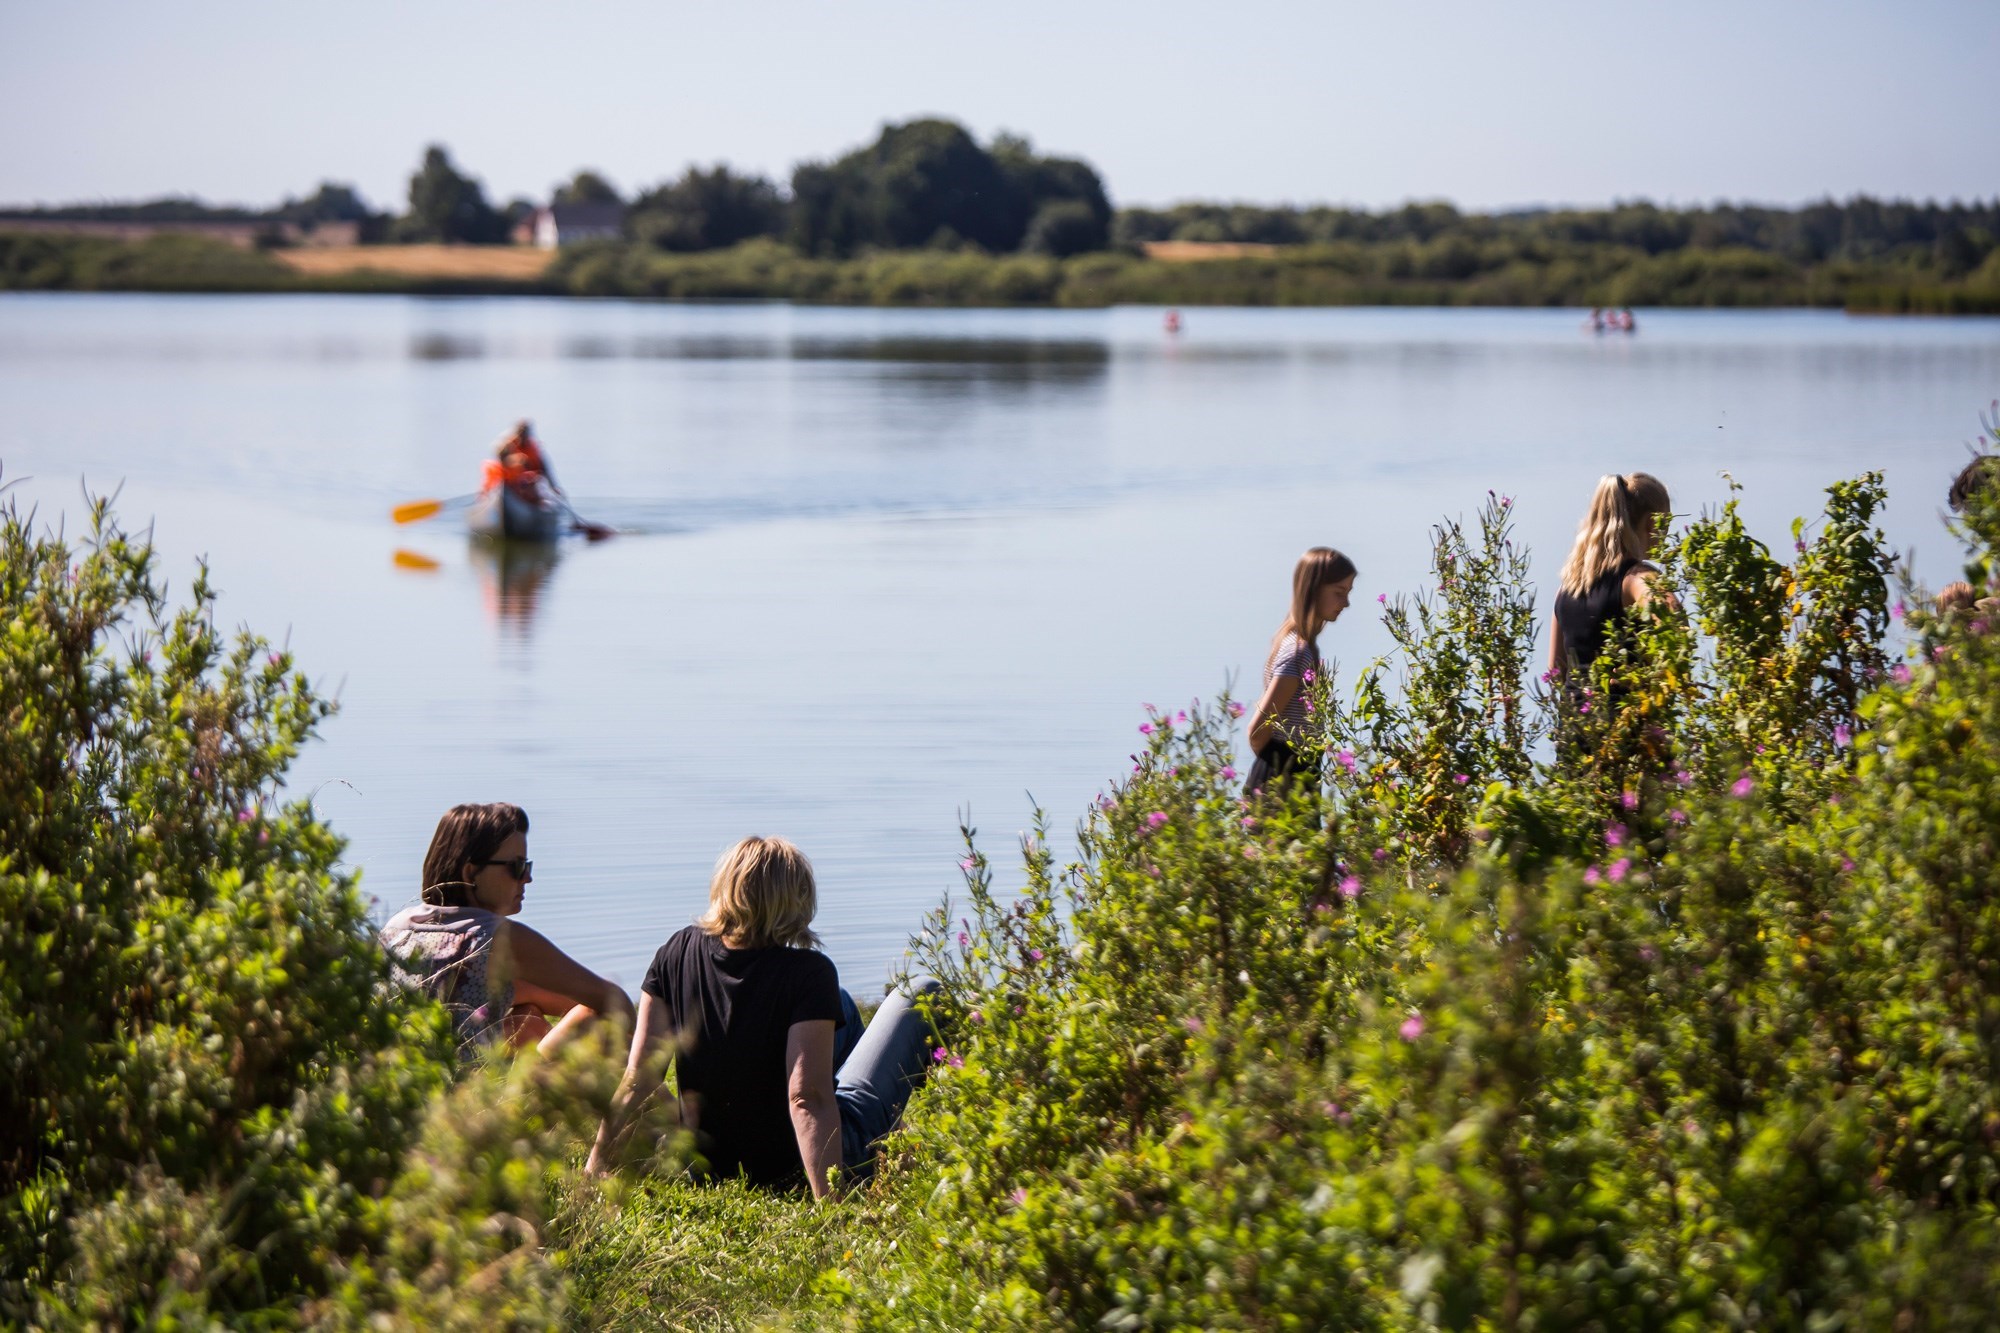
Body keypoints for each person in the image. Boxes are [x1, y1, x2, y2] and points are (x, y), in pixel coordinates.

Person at [587, 836, 942, 1198]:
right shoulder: (808, 973)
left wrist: (596, 1165)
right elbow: (806, 1098)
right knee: (922, 990)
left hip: (706, 1165)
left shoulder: (675, 951)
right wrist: (831, 1202)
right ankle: (891, 1138)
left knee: (841, 1004)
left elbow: (639, 1077)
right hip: (803, 1161)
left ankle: (890, 1137)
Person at [379, 802, 633, 1059]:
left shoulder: (396, 928)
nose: (527, 878)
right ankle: (638, 1094)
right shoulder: (500, 938)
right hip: (474, 1097)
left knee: (527, 1018)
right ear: (471, 872)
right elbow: (616, 1002)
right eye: (516, 867)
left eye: (527, 866)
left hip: (398, 1091)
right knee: (596, 1012)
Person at [1244, 546, 1358, 794]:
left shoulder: (1302, 648)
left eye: (1348, 592)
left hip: (1299, 777)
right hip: (1283, 783)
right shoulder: (1297, 653)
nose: (1346, 603)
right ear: (1313, 590)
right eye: (1339, 592)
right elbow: (1257, 731)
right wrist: (1282, 773)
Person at [1549, 472, 1673, 682]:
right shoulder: (1637, 579)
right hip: (1627, 713)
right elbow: (1675, 621)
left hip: (1574, 714)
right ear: (1653, 524)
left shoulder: (1567, 587)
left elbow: (1555, 672)